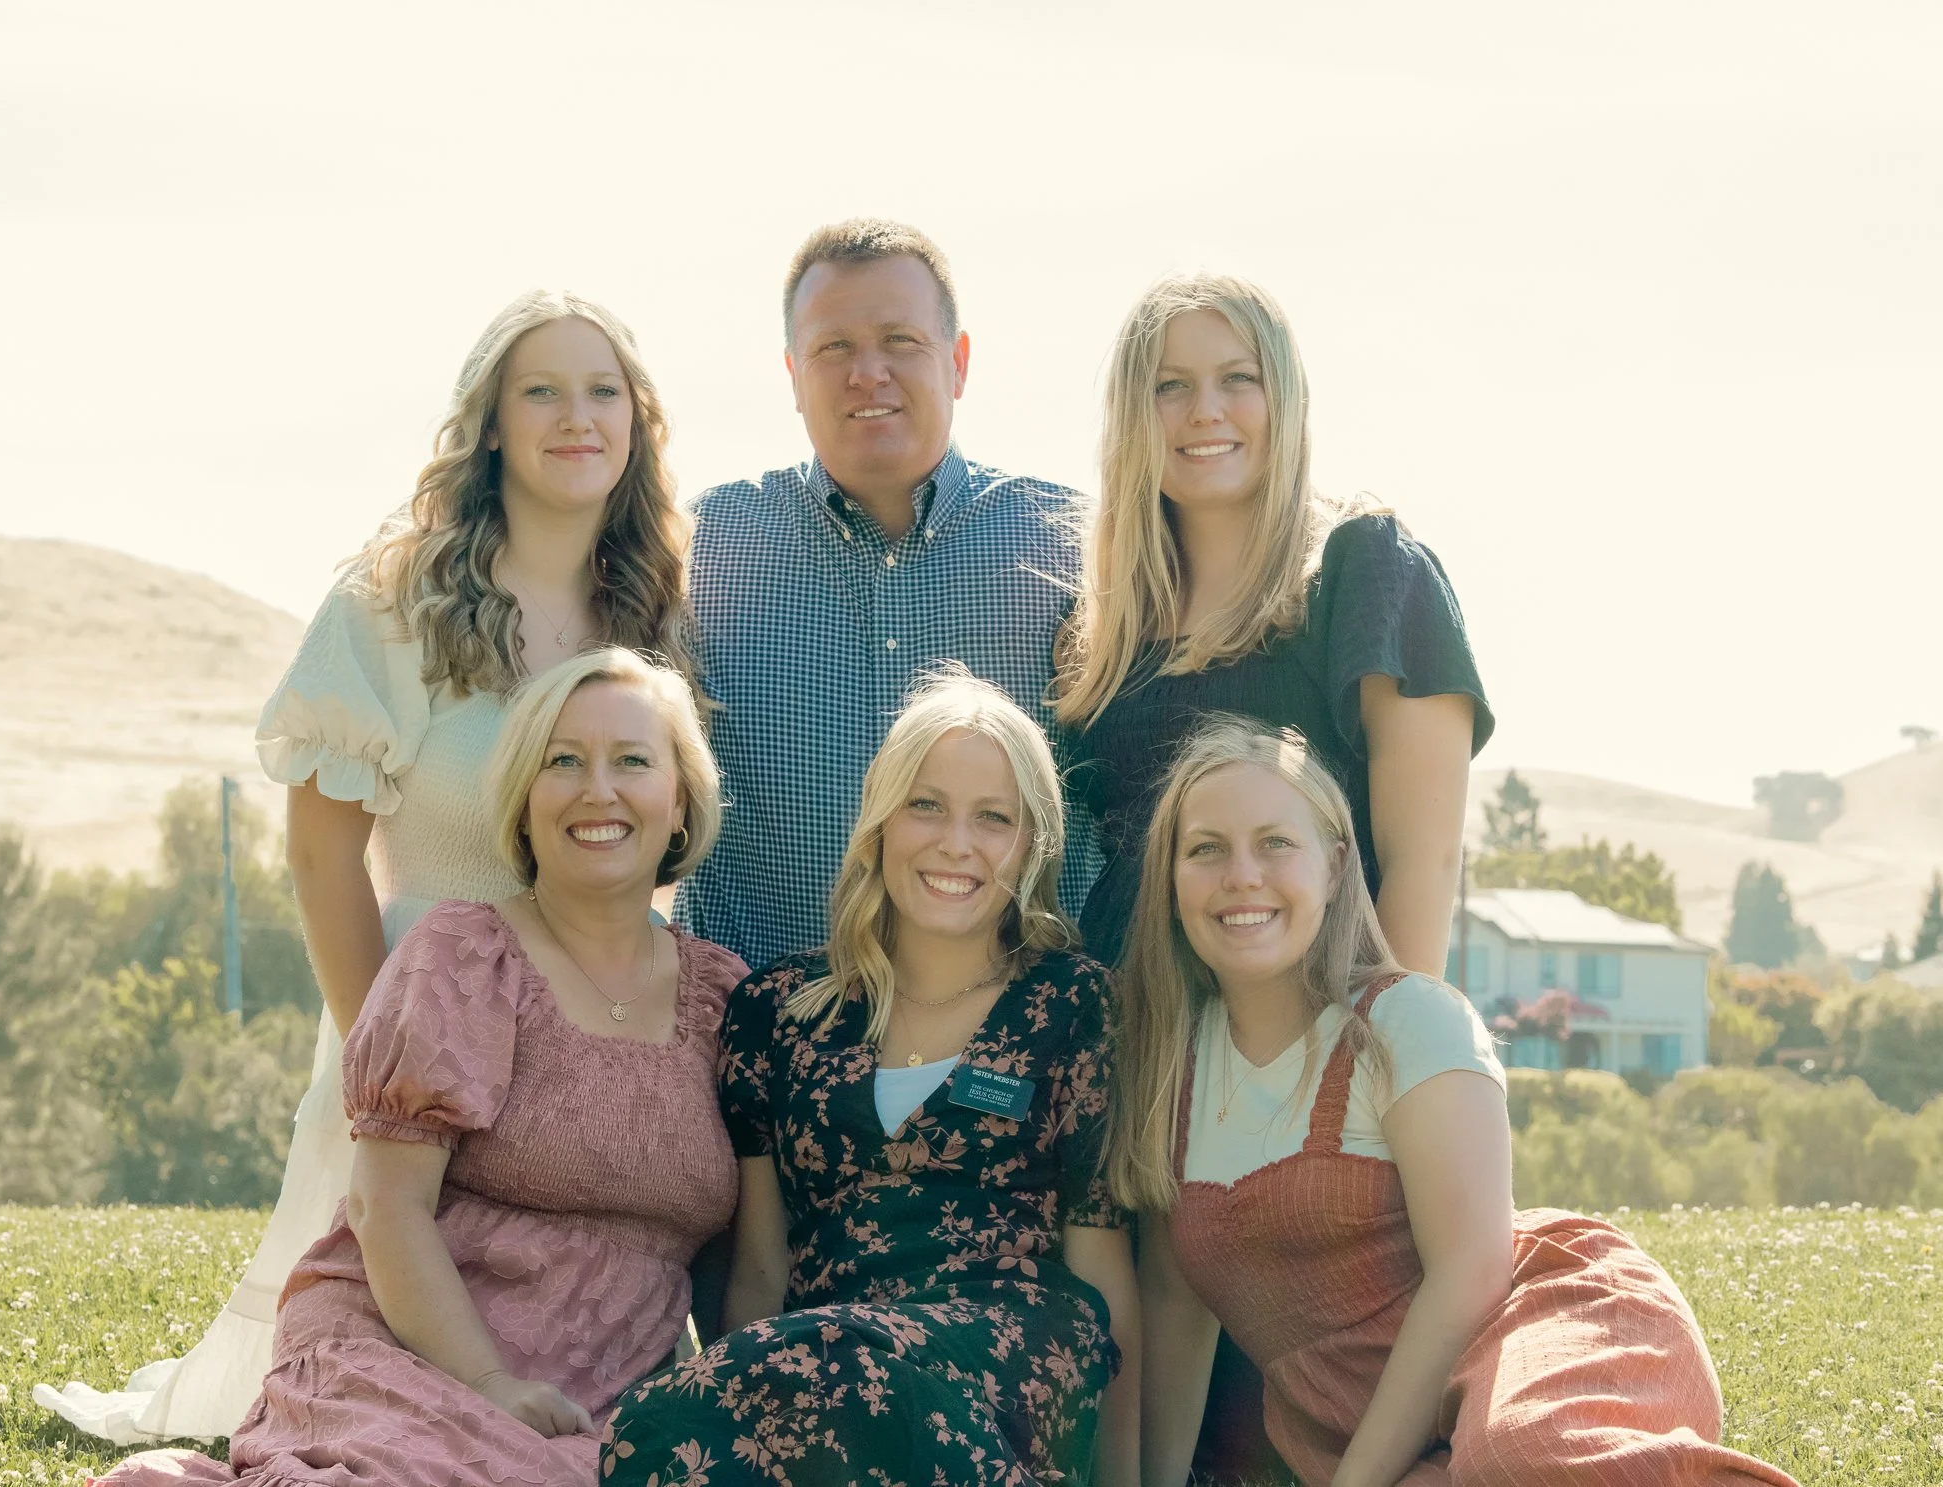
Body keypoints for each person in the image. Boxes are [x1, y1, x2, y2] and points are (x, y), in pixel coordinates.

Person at [37, 290, 693, 1444]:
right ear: (490, 422)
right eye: (540, 390)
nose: (575, 417)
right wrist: (378, 1056)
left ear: (637, 423)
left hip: (583, 1020)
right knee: (373, 1322)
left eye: (603, 392)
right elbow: (318, 846)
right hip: (414, 1006)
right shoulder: (395, 602)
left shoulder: (653, 611)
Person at [91, 648, 745, 1487]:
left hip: (608, 1404)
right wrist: (490, 1384)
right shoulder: (464, 957)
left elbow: (739, 1260)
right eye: (563, 761)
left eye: (632, 761)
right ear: (523, 800)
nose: (597, 789)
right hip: (412, 1355)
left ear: (680, 799)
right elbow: (383, 1204)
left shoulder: (725, 1000)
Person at [1110, 718, 1801, 1487]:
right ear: (1171, 880)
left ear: (1335, 867)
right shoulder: (1167, 1065)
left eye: (1275, 842)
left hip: (1535, 1330)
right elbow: (1174, 1305)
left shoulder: (1409, 1021)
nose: (1242, 874)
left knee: (1511, 1457)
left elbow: (1473, 1270)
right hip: (1364, 1425)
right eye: (1206, 848)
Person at [603, 671, 1140, 1487]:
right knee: (651, 1428)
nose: (956, 842)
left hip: (1009, 1354)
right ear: (880, 821)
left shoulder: (1075, 1004)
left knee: (858, 1371)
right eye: (926, 805)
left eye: (993, 817)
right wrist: (735, 1408)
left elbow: (1103, 1266)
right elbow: (761, 1266)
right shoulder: (777, 1011)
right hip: (826, 1373)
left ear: (1032, 843)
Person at [673, 217, 1096, 972]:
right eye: (834, 347)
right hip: (756, 1023)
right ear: (793, 374)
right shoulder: (704, 546)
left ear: (958, 363)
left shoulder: (1070, 545)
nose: (868, 372)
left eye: (900, 340)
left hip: (1015, 1025)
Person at [1056, 272, 1491, 978]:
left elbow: (1425, 860)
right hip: (1124, 1024)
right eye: (1170, 386)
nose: (1205, 411)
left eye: (1238, 378)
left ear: (1284, 398)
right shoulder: (1105, 625)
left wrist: (1387, 1036)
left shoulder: (1366, 571)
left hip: (1310, 1021)